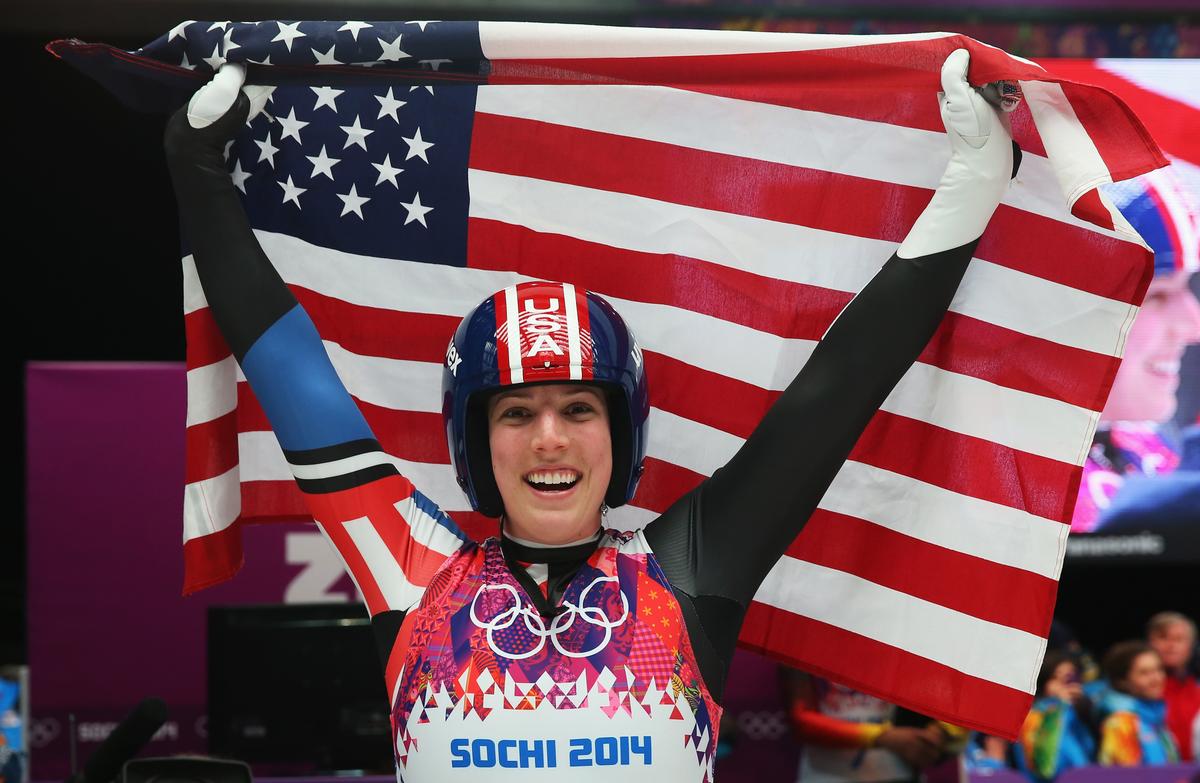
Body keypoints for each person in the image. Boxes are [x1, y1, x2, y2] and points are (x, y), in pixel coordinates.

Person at [163, 49, 1014, 781]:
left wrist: (970, 191)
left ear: (622, 431)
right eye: (515, 412)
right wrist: (197, 173)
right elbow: (289, 375)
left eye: (578, 406)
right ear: (472, 440)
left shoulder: (688, 572)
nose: (549, 438)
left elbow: (837, 394)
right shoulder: (411, 571)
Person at [1072, 170, 1200, 532]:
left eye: (1187, 287)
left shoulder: (1145, 445)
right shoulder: (985, 486)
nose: (1194, 327)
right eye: (1157, 294)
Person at [780, 669, 955, 783]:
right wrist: (881, 737)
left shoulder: (901, 629)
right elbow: (801, 722)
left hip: (896, 772)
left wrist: (940, 732)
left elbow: (940, 694)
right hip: (826, 774)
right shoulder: (803, 631)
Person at [1096, 640, 1179, 766]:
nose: (1156, 679)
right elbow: (1125, 777)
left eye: (1159, 669)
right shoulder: (1121, 723)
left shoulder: (1155, 719)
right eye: (1144, 673)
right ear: (1122, 681)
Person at [1017, 650, 1096, 781]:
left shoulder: (1084, 711)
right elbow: (1045, 767)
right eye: (1055, 678)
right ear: (1042, 683)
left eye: (1071, 678)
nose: (1066, 686)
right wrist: (1059, 706)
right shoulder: (1030, 718)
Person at [1146, 611, 1200, 760]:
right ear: (1149, 643)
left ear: (1191, 646)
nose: (1171, 645)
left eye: (1179, 639)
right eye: (1163, 638)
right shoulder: (1139, 692)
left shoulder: (1197, 692)